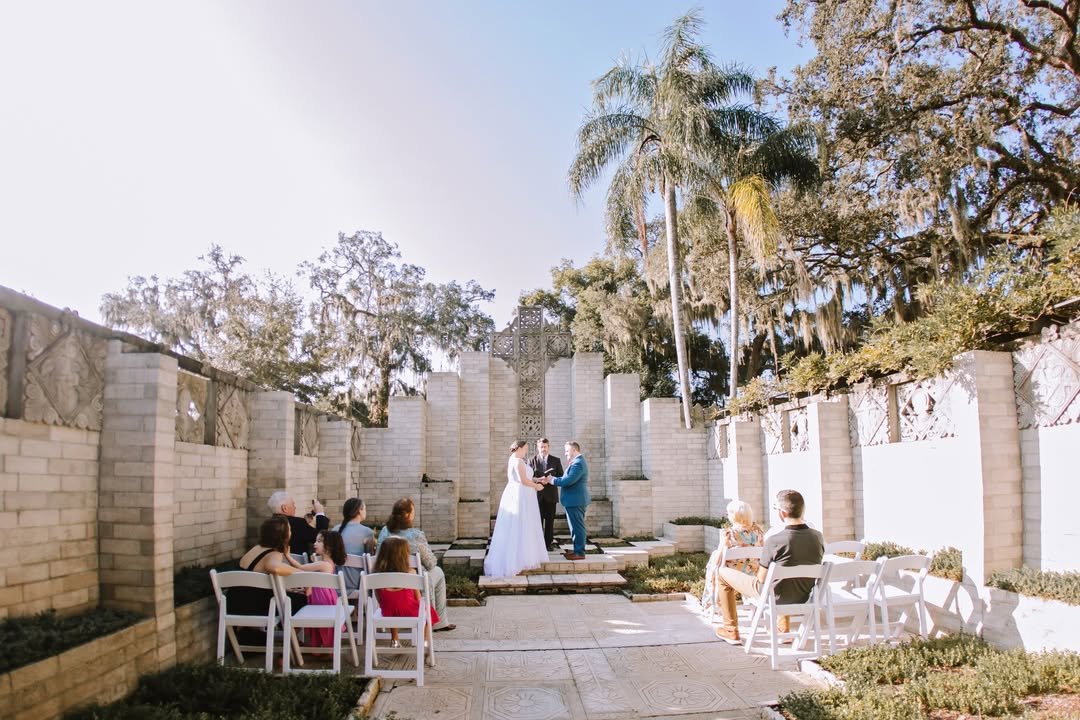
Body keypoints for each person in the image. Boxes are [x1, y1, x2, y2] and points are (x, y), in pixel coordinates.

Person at [713, 489, 824, 645]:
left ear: (782, 513)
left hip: (773, 596)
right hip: (804, 595)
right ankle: (783, 630)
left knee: (722, 573)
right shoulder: (818, 537)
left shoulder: (774, 540)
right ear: (802, 510)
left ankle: (730, 630)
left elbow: (761, 579)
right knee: (783, 579)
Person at [377, 497, 455, 631]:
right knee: (437, 571)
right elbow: (430, 563)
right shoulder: (416, 535)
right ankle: (438, 622)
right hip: (412, 581)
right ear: (407, 514)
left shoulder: (384, 531)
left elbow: (378, 555)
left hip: (386, 582)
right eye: (413, 510)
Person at [230, 516, 302, 643]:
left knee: (289, 597)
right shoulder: (273, 554)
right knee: (301, 600)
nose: (291, 533)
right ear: (282, 535)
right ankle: (290, 643)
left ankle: (263, 638)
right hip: (253, 606)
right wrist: (302, 574)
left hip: (234, 603)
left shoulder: (256, 548)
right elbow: (273, 567)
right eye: (289, 530)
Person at [485, 439, 550, 577]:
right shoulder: (518, 461)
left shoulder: (514, 459)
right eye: (525, 448)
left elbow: (526, 478)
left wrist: (538, 480)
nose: (526, 450)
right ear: (519, 448)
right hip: (521, 495)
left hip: (520, 493)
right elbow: (522, 480)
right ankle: (519, 559)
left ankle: (523, 554)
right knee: (521, 524)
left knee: (521, 524)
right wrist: (536, 486)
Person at [701, 500, 764, 619]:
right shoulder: (759, 532)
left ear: (734, 516)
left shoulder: (729, 534)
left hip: (732, 576)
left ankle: (712, 605)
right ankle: (751, 602)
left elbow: (720, 557)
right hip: (753, 576)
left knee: (713, 566)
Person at [373, 536, 438, 648]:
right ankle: (424, 643)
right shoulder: (411, 573)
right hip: (408, 610)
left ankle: (395, 640)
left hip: (387, 611)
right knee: (428, 611)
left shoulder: (376, 575)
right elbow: (418, 599)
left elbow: (379, 599)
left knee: (392, 606)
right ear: (403, 556)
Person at [543, 440, 590, 560]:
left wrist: (551, 480)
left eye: (567, 450)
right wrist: (553, 478)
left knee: (577, 527)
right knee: (574, 527)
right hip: (573, 500)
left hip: (576, 500)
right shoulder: (576, 462)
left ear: (574, 450)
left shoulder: (578, 463)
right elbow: (565, 478)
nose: (565, 453)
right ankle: (577, 549)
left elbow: (568, 481)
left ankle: (579, 553)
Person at [305, 529, 350, 647]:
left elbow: (300, 568)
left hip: (321, 597)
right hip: (327, 595)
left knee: (322, 622)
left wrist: (287, 556)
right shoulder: (327, 562)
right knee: (323, 623)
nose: (315, 543)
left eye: (319, 541)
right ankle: (325, 648)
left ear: (328, 547)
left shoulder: (323, 564)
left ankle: (325, 648)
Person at [529, 437, 564, 551]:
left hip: (551, 496)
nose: (543, 449)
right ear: (537, 448)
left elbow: (561, 476)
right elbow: (528, 478)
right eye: (541, 447)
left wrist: (551, 479)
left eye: (545, 447)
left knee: (550, 522)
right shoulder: (531, 460)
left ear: (548, 447)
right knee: (537, 521)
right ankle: (537, 544)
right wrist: (538, 480)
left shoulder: (556, 460)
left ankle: (548, 544)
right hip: (536, 495)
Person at [268, 490, 329, 556]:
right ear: (284, 508)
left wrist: (313, 514)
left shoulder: (268, 525)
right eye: (293, 504)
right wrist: (320, 513)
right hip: (298, 565)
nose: (295, 507)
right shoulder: (297, 523)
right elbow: (321, 536)